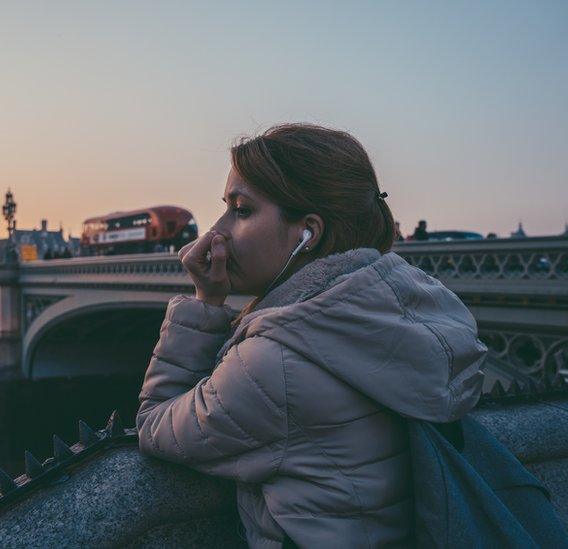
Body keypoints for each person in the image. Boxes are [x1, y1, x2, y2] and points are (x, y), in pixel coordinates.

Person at [136, 123, 486, 548]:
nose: (216, 232)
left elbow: (154, 424)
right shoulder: (424, 307)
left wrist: (207, 301)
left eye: (241, 210)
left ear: (308, 234)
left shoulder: (272, 364)